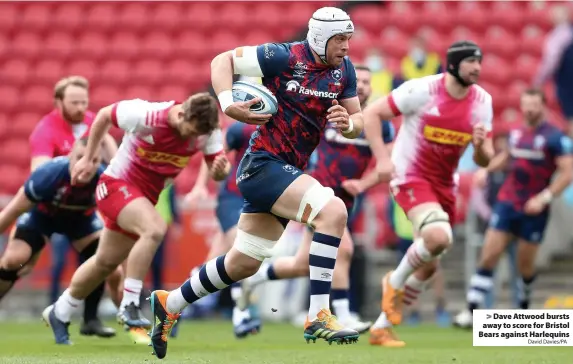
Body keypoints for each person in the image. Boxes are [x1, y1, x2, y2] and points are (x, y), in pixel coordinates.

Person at [148, 6, 363, 359]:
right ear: (322, 37)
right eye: (340, 39)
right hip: (263, 165)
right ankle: (318, 314)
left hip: (284, 170)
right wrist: (229, 104)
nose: (346, 47)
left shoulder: (344, 71)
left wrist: (348, 123)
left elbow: (357, 121)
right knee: (333, 210)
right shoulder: (282, 56)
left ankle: (169, 302)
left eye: (348, 39)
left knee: (242, 263)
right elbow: (221, 61)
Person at [43, 92, 230, 346]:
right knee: (154, 228)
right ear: (183, 113)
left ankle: (60, 310)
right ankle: (130, 303)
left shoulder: (208, 131)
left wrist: (221, 171)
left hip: (142, 199)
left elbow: (218, 169)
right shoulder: (147, 115)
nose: (192, 137)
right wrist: (88, 158)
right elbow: (103, 116)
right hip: (115, 185)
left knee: (105, 263)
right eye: (191, 129)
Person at [239, 65, 392, 334]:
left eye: (369, 81)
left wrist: (363, 183)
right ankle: (343, 314)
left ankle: (255, 279)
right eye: (361, 81)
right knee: (344, 250)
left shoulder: (379, 126)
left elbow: (386, 166)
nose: (365, 86)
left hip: (345, 199)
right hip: (318, 194)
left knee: (302, 265)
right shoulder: (330, 111)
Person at [362, 40, 494, 347]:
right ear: (453, 64)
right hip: (410, 176)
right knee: (438, 237)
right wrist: (383, 159)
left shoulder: (482, 102)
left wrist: (479, 146)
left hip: (444, 186)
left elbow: (485, 158)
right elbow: (372, 114)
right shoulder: (422, 90)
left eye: (480, 62)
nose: (477, 68)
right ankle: (393, 283)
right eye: (471, 62)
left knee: (430, 264)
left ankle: (381, 328)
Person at [454, 89, 573, 327]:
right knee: (489, 253)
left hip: (534, 208)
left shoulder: (555, 138)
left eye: (533, 105)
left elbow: (568, 172)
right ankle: (471, 309)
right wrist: (486, 170)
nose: (528, 110)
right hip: (508, 202)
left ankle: (523, 306)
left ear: (543, 107)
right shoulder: (516, 133)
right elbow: (506, 157)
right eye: (525, 105)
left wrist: (544, 198)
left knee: (524, 265)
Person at [0, 139, 121, 344]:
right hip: (42, 218)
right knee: (14, 261)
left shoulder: (104, 180)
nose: (87, 166)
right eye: (81, 158)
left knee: (106, 262)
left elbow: (117, 221)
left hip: (81, 221)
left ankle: (90, 320)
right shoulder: (48, 175)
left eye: (94, 160)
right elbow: (10, 214)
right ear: (69, 157)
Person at [28, 76, 118, 338]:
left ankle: (90, 319)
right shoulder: (45, 130)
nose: (81, 107)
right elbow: (40, 172)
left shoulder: (94, 122)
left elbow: (113, 158)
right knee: (20, 263)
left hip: (82, 212)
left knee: (99, 257)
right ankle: (53, 303)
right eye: (74, 102)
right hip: (51, 209)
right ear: (59, 102)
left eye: (84, 101)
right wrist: (70, 168)